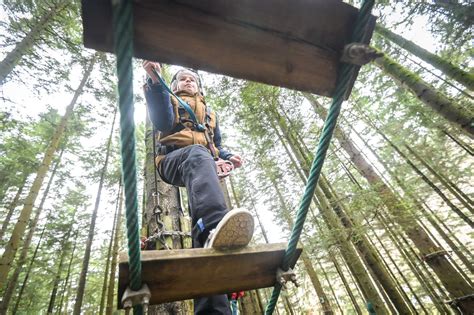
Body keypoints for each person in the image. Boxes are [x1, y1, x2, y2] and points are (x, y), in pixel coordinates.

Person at [142, 61, 254, 314]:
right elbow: (161, 120)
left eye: (192, 78)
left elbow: (216, 143)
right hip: (172, 159)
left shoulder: (211, 113)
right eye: (182, 78)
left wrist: (228, 156)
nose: (188, 81)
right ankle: (214, 226)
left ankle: (214, 306)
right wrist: (156, 83)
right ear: (175, 84)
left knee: (201, 159)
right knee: (196, 154)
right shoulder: (169, 97)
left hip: (202, 162)